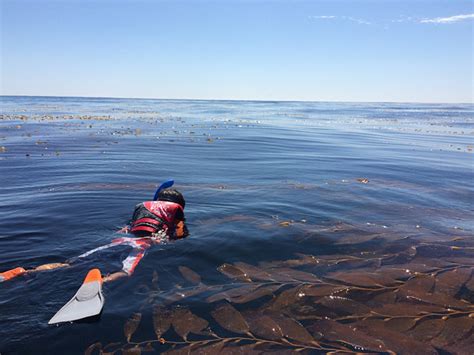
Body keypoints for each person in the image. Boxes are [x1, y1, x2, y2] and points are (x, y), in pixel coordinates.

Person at [0, 188, 188, 283]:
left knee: (70, 264)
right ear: (178, 203)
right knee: (126, 271)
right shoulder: (176, 209)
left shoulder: (141, 205)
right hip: (142, 243)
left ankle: (24, 271)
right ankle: (100, 282)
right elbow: (179, 232)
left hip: (121, 239)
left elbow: (131, 227)